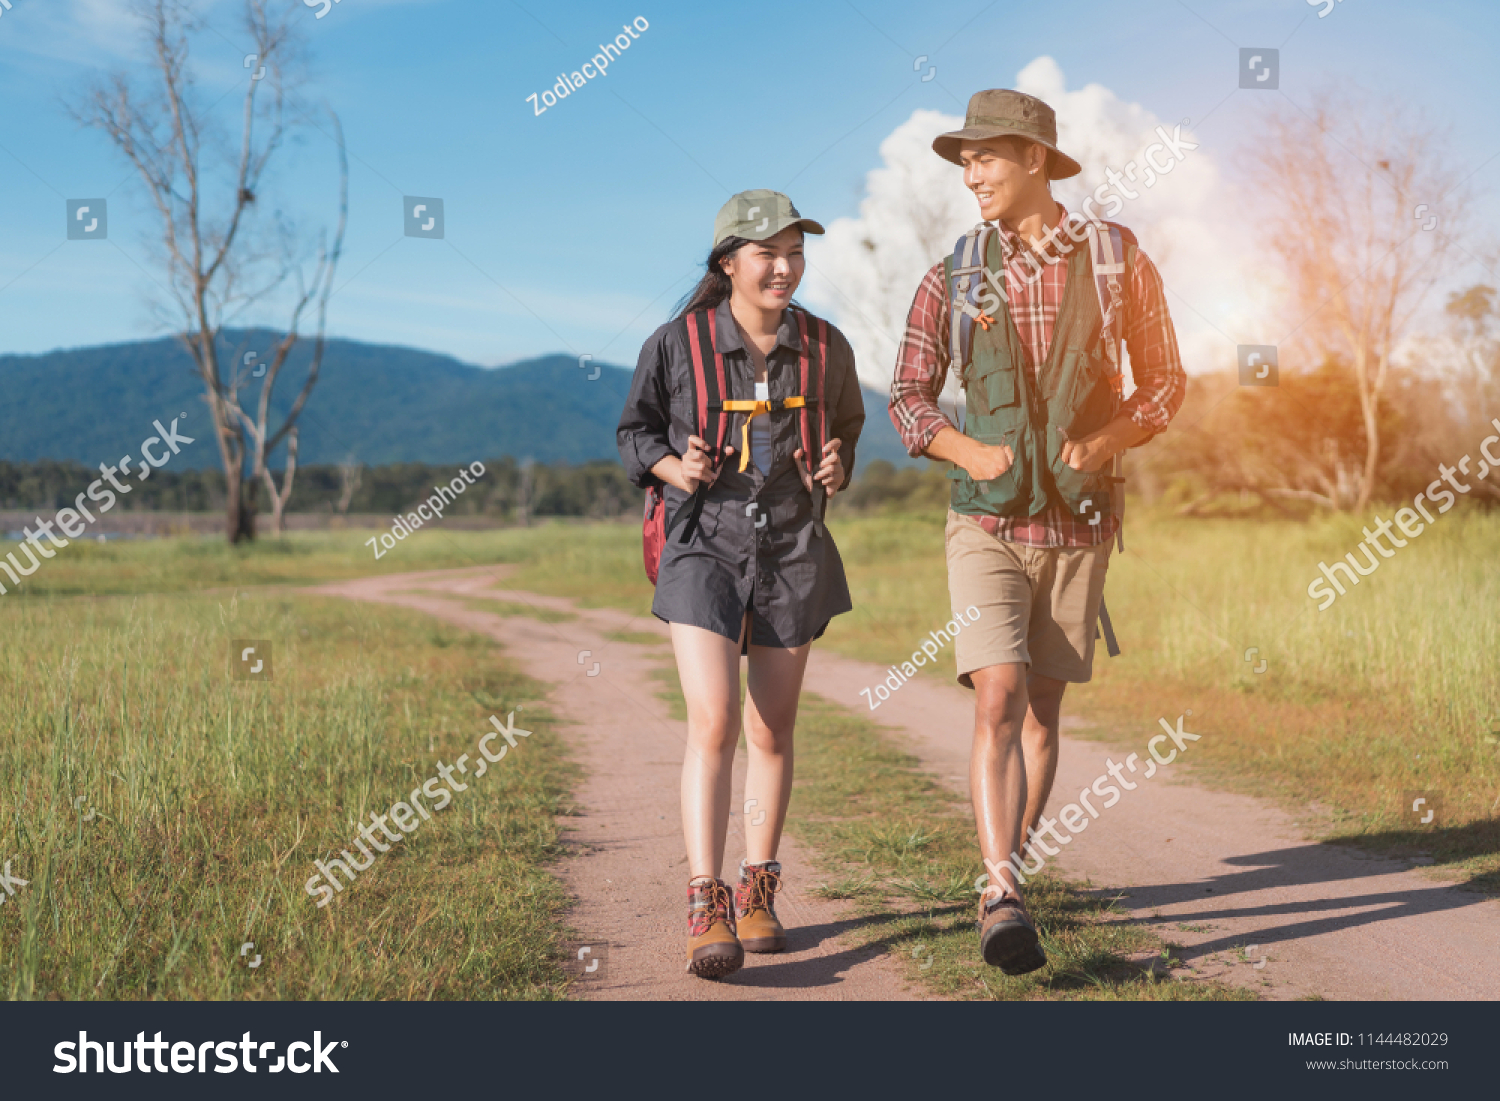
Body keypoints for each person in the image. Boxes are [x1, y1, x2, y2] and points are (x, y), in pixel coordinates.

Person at [889, 89, 1186, 974]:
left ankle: (999, 877)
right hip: (984, 519)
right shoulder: (953, 272)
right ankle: (1004, 886)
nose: (971, 173)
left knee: (1044, 711)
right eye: (964, 160)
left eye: (984, 157)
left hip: (1080, 523)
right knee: (999, 693)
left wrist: (1103, 440)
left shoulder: (1113, 259)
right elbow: (906, 395)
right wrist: (966, 452)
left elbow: (1166, 382)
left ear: (1033, 159)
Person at [617, 189, 865, 979]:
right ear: (729, 263)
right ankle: (706, 899)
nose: (785, 266)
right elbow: (635, 432)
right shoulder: (676, 342)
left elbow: (849, 429)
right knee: (716, 720)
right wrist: (673, 469)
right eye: (768, 253)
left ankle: (759, 890)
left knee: (771, 730)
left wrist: (837, 465)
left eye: (795, 251)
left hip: (792, 548)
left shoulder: (826, 347)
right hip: (703, 546)